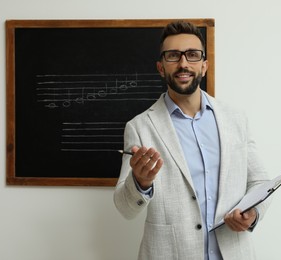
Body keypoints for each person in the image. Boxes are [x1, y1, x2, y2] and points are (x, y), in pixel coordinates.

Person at [113, 20, 271, 260]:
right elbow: (125, 208)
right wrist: (140, 182)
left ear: (204, 65)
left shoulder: (235, 119)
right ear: (161, 67)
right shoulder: (140, 127)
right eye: (173, 56)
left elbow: (260, 180)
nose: (183, 63)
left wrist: (253, 213)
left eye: (192, 55)